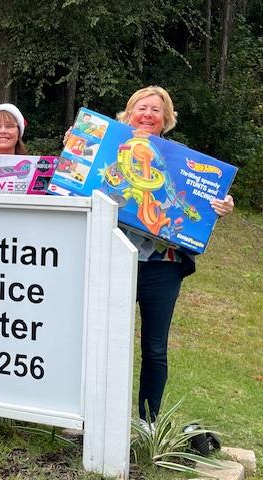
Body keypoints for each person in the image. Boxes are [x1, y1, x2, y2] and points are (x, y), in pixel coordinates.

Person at [114, 86, 234, 427]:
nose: (148, 114)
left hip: (162, 268)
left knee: (154, 347)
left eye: (156, 110)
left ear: (166, 119)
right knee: (105, 340)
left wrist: (220, 205)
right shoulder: (111, 148)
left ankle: (147, 422)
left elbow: (196, 204)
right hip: (113, 259)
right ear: (128, 113)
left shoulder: (182, 162)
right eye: (142, 107)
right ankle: (99, 418)